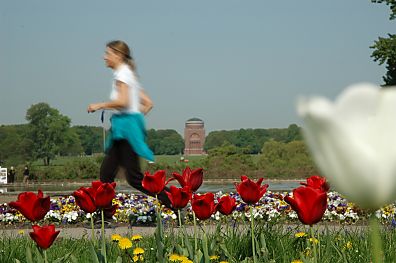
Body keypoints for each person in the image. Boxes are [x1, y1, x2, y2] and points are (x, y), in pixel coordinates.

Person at [87, 40, 172, 219]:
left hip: (124, 131)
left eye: (108, 53)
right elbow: (148, 104)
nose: (104, 56)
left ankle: (174, 201)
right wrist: (134, 119)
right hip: (125, 129)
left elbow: (123, 102)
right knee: (107, 173)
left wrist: (99, 105)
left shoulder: (122, 75)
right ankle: (104, 216)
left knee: (133, 178)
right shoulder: (128, 74)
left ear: (118, 55)